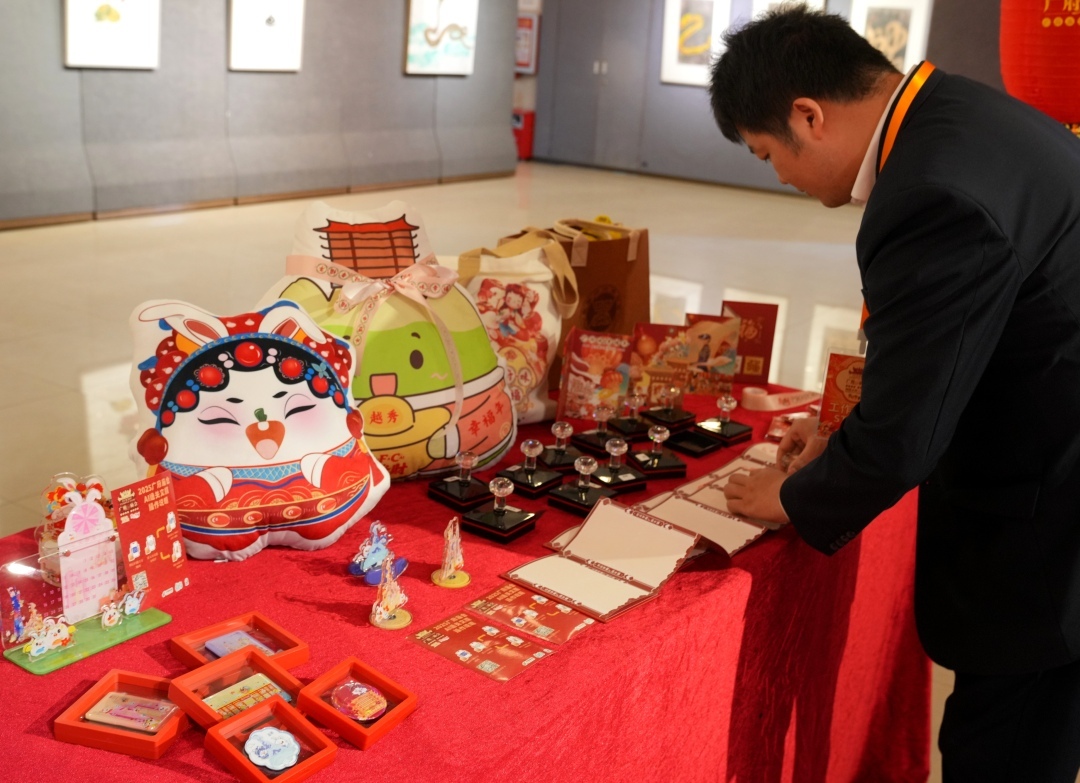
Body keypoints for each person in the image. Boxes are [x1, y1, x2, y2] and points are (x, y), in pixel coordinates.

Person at [711, 7, 1080, 782]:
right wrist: (841, 433)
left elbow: (906, 433)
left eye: (768, 154)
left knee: (1006, 751)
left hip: (1048, 533)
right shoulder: (959, 113)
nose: (779, 177)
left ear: (809, 116)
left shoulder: (930, 191)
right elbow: (948, 344)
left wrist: (798, 494)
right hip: (1051, 442)